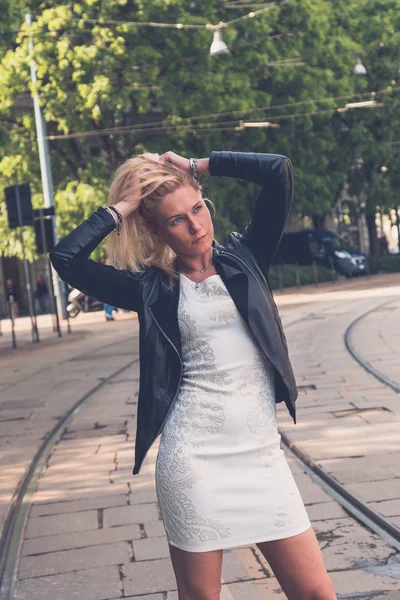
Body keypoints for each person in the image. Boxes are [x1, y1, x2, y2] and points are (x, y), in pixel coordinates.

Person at [50, 151, 336, 600]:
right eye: (177, 220)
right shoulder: (151, 287)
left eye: (198, 209)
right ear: (156, 230)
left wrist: (198, 165)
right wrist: (122, 209)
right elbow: (66, 258)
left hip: (262, 458)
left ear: (206, 202)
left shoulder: (247, 256)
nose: (196, 226)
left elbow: (280, 169)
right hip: (195, 461)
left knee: (318, 594)